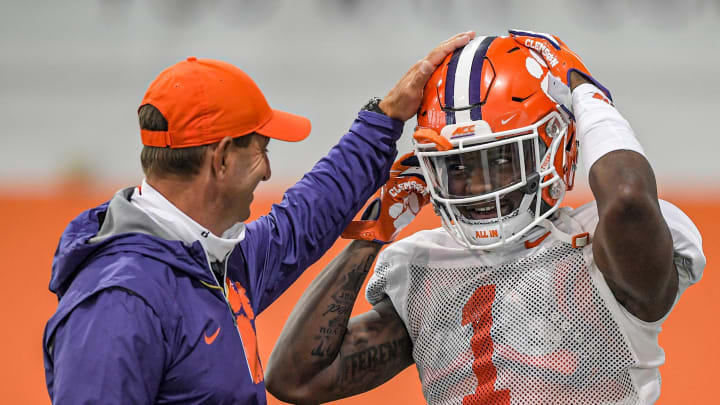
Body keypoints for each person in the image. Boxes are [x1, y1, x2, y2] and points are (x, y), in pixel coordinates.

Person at [265, 31, 706, 404]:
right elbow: (295, 379)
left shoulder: (602, 248)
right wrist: (372, 234)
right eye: (458, 166)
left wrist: (584, 92)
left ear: (555, 145)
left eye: (500, 159)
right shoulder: (420, 268)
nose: (478, 186)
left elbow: (627, 199)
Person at [42, 31, 476, 404]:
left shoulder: (205, 257)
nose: (267, 169)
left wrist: (385, 119)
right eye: (261, 151)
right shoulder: (118, 305)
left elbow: (301, 221)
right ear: (222, 158)